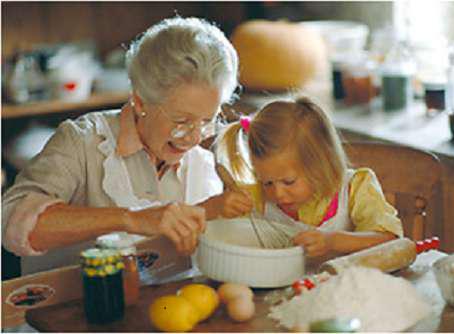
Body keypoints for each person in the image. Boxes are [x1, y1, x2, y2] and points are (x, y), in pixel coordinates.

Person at [2, 16, 253, 275]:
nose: (193, 137)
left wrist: (215, 211)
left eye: (207, 120)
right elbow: (11, 223)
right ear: (140, 102)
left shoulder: (204, 158)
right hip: (74, 307)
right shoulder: (83, 141)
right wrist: (130, 218)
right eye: (181, 121)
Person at [216, 97, 403, 258]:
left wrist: (333, 241)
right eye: (267, 182)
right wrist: (219, 205)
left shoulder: (355, 189)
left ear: (322, 164)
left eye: (288, 182)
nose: (277, 194)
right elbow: (217, 230)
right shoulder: (253, 196)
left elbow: (391, 240)